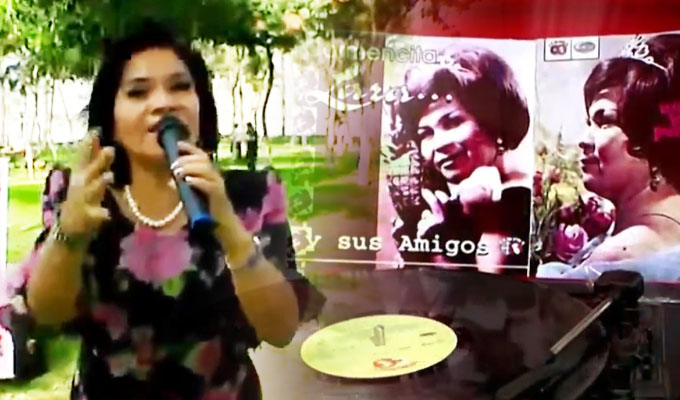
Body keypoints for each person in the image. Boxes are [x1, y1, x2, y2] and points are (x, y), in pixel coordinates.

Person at [16, 20, 323, 400]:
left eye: (180, 86)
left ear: (200, 105)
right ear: (110, 115)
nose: (163, 103)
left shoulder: (252, 195)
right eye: (138, 92)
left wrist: (229, 227)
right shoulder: (81, 195)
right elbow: (47, 313)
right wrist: (71, 233)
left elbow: (280, 330)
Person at [538, 34, 680, 280]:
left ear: (654, 136)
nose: (583, 140)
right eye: (589, 123)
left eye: (605, 122)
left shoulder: (618, 257)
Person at [385, 46, 532, 269]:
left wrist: (446, 241)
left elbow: (491, 286)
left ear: (495, 122)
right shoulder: (441, 206)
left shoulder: (518, 203)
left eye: (453, 122)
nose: (439, 143)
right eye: (426, 134)